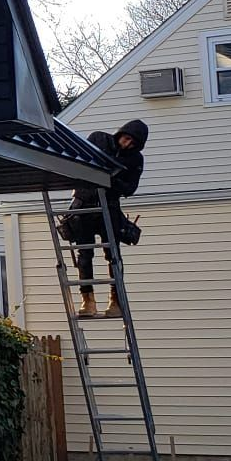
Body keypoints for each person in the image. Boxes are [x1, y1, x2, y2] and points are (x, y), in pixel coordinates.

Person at [65, 119, 148, 318]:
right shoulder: (99, 139)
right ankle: (88, 301)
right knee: (84, 255)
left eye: (133, 144)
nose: (127, 145)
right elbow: (79, 161)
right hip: (84, 204)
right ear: (121, 133)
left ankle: (116, 301)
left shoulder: (135, 159)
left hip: (108, 207)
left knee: (113, 255)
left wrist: (110, 179)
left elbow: (130, 188)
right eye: (127, 139)